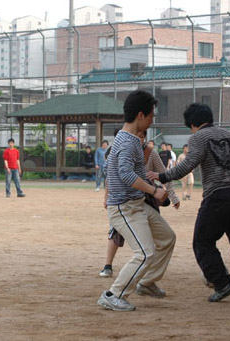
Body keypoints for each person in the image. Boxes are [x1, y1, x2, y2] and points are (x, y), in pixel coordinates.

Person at [148, 103, 230, 303]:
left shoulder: (198, 137)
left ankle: (222, 283)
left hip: (218, 196)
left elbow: (189, 164)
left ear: (193, 124)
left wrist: (162, 176)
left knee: (202, 242)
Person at [97, 90, 175, 312]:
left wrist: (154, 188)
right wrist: (154, 191)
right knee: (145, 252)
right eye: (151, 116)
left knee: (167, 238)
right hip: (124, 208)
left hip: (137, 205)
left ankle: (146, 282)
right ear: (141, 115)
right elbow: (125, 174)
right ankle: (113, 294)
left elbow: (128, 173)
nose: (152, 120)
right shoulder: (127, 142)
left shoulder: (130, 140)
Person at [99, 129, 180, 278]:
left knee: (156, 238)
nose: (139, 139)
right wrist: (106, 197)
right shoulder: (118, 151)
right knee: (116, 233)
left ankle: (147, 277)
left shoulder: (150, 153)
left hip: (146, 200)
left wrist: (172, 196)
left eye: (142, 136)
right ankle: (108, 266)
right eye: (137, 136)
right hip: (122, 202)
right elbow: (110, 177)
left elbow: (164, 175)